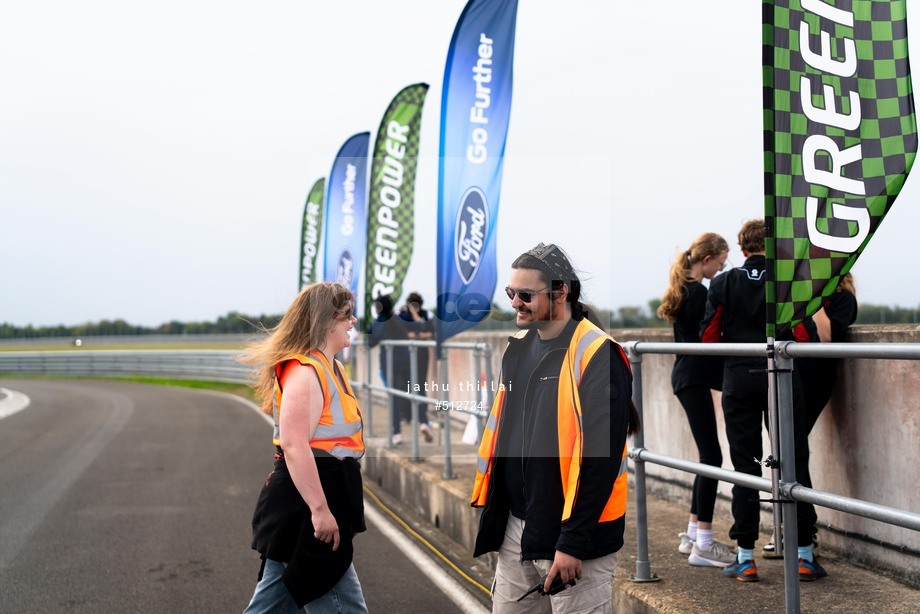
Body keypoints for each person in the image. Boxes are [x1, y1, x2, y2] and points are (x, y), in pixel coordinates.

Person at [470, 243, 640, 614]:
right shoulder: (517, 347)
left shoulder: (597, 354)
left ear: (560, 292)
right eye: (511, 293)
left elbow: (601, 459)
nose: (515, 302)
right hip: (518, 528)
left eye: (526, 294)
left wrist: (573, 542)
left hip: (573, 539)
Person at [700, 219, 826, 582]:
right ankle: (803, 556)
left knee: (746, 467)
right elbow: (804, 333)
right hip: (782, 380)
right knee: (793, 461)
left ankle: (745, 558)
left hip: (739, 380)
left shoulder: (723, 281)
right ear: (773, 248)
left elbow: (708, 337)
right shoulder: (786, 282)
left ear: (741, 249)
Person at [240, 282, 368, 613]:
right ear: (327, 321)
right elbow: (295, 446)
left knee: (277, 604)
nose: (353, 322)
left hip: (321, 495)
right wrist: (320, 510)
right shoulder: (306, 371)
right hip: (306, 505)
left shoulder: (332, 367)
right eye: (347, 315)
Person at [656, 232, 734, 567]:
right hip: (693, 377)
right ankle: (703, 543)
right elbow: (711, 334)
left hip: (687, 376)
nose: (723, 266)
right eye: (721, 261)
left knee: (707, 456)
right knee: (712, 458)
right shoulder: (700, 292)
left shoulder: (684, 288)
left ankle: (692, 535)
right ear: (708, 259)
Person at [367, 294, 431, 445]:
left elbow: (370, 342)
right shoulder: (399, 318)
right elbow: (421, 325)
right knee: (416, 390)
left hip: (388, 363)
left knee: (395, 397)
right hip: (406, 360)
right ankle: (423, 422)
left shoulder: (377, 323)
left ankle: (397, 433)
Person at [800, 273, 858, 435]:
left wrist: (815, 299)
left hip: (815, 375)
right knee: (781, 434)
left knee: (796, 433)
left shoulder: (844, 299)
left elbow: (826, 336)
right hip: (795, 370)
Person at [398, 291, 435, 441]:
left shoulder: (426, 314)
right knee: (405, 385)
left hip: (421, 354)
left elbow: (429, 332)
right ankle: (407, 415)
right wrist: (418, 333)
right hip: (406, 356)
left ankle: (422, 419)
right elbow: (403, 333)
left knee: (420, 385)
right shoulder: (401, 314)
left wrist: (415, 319)